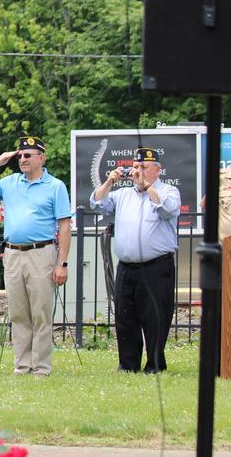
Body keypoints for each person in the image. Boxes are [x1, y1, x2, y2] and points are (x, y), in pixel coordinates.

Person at [0, 135, 71, 377]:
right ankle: (22, 365)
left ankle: (41, 367)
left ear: (42, 158)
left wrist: (62, 264)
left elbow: (65, 226)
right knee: (18, 313)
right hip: (14, 253)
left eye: (28, 155)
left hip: (42, 252)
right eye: (20, 156)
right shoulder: (10, 182)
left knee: (41, 312)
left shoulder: (55, 186)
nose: (23, 159)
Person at [90, 146, 180, 373]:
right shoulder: (123, 194)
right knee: (125, 317)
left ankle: (155, 365)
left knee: (156, 317)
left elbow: (167, 209)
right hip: (127, 267)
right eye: (136, 166)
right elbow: (97, 203)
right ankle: (128, 364)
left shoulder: (168, 191)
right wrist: (109, 182)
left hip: (156, 265)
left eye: (144, 167)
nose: (138, 171)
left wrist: (146, 187)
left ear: (157, 171)